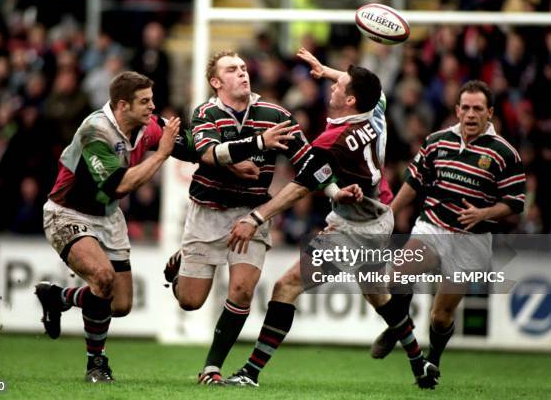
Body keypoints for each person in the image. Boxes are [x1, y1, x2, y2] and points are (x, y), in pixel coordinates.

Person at [224, 48, 440, 389]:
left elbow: (299, 188)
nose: (332, 87)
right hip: (380, 215)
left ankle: (250, 373)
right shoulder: (376, 111)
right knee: (377, 293)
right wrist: (324, 69)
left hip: (355, 228)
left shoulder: (332, 141)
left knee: (286, 286)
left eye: (339, 86)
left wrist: (256, 216)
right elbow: (376, 91)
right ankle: (420, 364)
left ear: (350, 99)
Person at [163, 50, 313, 385]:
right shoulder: (205, 112)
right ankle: (179, 270)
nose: (242, 73)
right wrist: (258, 143)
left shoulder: (276, 113)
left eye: (244, 68)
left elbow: (309, 162)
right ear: (216, 82)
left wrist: (334, 191)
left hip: (251, 214)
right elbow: (207, 153)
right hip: (207, 212)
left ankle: (212, 367)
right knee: (190, 302)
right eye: (232, 70)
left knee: (242, 290)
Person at [370, 80, 525, 378]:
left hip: (472, 241)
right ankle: (398, 325)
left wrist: (485, 213)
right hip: (433, 228)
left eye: (477, 108)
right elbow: (413, 184)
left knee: (440, 317)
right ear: (456, 110)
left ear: (489, 112)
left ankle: (434, 361)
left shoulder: (505, 153)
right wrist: (388, 215)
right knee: (395, 279)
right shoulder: (437, 141)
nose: (470, 114)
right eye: (465, 107)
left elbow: (515, 203)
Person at [35, 71, 180, 383]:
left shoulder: (148, 127)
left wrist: (244, 151)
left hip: (109, 219)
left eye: (152, 100)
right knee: (103, 278)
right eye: (145, 101)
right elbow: (118, 185)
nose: (152, 107)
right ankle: (95, 364)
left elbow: (193, 147)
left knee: (121, 304)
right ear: (122, 105)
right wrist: (163, 155)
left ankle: (58, 298)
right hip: (68, 214)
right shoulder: (95, 131)